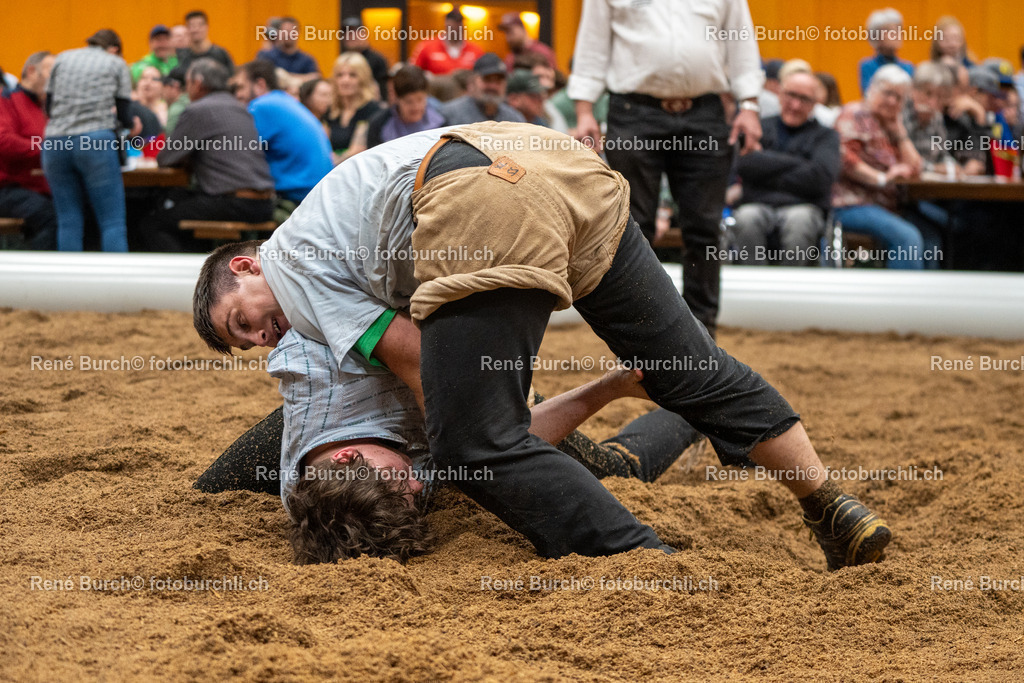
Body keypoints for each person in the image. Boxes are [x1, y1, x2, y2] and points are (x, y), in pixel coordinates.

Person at [191, 122, 892, 571]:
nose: (258, 337)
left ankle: (639, 558)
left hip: (481, 193)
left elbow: (412, 356)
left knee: (473, 443)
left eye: (240, 321)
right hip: (564, 168)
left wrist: (473, 431)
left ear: (248, 266)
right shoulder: (327, 242)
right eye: (243, 343)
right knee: (690, 367)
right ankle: (831, 505)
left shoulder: (293, 266)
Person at [195, 331, 702, 563]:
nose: (417, 481)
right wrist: (609, 387)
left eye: (402, 482)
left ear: (348, 458)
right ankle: (692, 415)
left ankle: (704, 404)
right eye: (413, 492)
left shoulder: (312, 366)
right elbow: (505, 448)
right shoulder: (397, 478)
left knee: (209, 488)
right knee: (618, 472)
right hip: (462, 409)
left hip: (453, 385)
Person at [568, 0, 764, 339]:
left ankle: (701, 336)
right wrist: (584, 110)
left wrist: (749, 104)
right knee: (632, 228)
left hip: (705, 111)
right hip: (633, 112)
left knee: (703, 228)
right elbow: (592, 46)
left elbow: (741, 42)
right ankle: (641, 334)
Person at [137, 59, 273, 252]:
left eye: (188, 83)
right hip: (264, 204)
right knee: (182, 202)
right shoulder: (239, 108)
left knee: (152, 224)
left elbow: (165, 158)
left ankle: (186, 279)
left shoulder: (198, 109)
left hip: (233, 203)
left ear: (198, 83)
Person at [832, 65, 941, 269]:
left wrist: (900, 134)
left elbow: (916, 168)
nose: (892, 101)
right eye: (888, 93)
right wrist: (882, 177)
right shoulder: (855, 114)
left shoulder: (889, 124)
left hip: (888, 206)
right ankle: (901, 299)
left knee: (932, 236)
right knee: (907, 237)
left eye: (899, 98)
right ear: (872, 89)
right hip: (853, 204)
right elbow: (844, 159)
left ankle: (926, 297)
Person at [731, 71, 841, 266]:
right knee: (747, 218)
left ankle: (791, 291)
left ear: (815, 103)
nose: (795, 105)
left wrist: (766, 167)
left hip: (804, 207)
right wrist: (798, 162)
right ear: (780, 95)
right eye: (791, 95)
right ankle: (755, 288)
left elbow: (820, 178)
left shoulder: (827, 137)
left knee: (800, 221)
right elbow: (745, 165)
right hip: (757, 205)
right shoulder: (758, 128)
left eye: (804, 99)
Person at [42, 29, 136, 252]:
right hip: (95, 140)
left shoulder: (63, 57)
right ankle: (117, 283)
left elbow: (48, 105)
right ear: (114, 49)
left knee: (68, 220)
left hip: (55, 141)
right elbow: (124, 111)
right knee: (112, 222)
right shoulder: (115, 62)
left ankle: (67, 284)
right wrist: (131, 125)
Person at [232, 60, 332, 203]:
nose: (238, 94)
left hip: (299, 198)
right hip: (317, 193)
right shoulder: (285, 101)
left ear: (260, 85)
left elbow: (238, 153)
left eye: (241, 87)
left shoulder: (262, 105)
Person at [0, 51, 58, 250]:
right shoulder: (6, 101)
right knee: (52, 217)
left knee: (77, 212)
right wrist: (45, 147)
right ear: (32, 71)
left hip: (40, 187)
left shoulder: (47, 107)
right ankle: (31, 277)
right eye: (52, 72)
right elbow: (4, 141)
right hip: (8, 188)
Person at [365, 65, 444, 148]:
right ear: (396, 98)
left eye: (420, 99)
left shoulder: (441, 121)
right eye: (409, 101)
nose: (416, 107)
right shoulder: (379, 125)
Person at [325, 52, 383, 163]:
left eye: (352, 75)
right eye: (340, 75)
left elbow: (356, 152)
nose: (345, 80)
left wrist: (326, 160)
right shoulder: (331, 111)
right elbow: (322, 145)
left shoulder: (372, 110)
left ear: (363, 79)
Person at [440, 53, 525, 125]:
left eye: (499, 81)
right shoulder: (449, 114)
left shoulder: (514, 119)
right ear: (472, 81)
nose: (493, 86)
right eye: (487, 79)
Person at [858, 8, 914, 95]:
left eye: (898, 30)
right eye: (889, 31)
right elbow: (869, 95)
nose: (896, 34)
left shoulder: (908, 68)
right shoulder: (867, 66)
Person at [411, 9, 484, 76]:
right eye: (452, 25)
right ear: (446, 25)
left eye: (459, 24)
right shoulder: (427, 46)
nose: (456, 28)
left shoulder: (475, 50)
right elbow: (413, 73)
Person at [255, 16, 319, 82]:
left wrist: (285, 77)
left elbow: (315, 77)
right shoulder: (266, 56)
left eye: (292, 31)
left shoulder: (307, 60)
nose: (288, 34)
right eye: (285, 31)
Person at [339, 17, 389, 100]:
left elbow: (383, 91)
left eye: (354, 33)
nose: (350, 37)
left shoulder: (377, 60)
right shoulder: (342, 60)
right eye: (347, 33)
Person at [162, 68, 189, 135]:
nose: (162, 89)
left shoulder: (177, 109)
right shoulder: (194, 101)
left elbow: (170, 140)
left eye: (165, 85)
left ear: (175, 86)